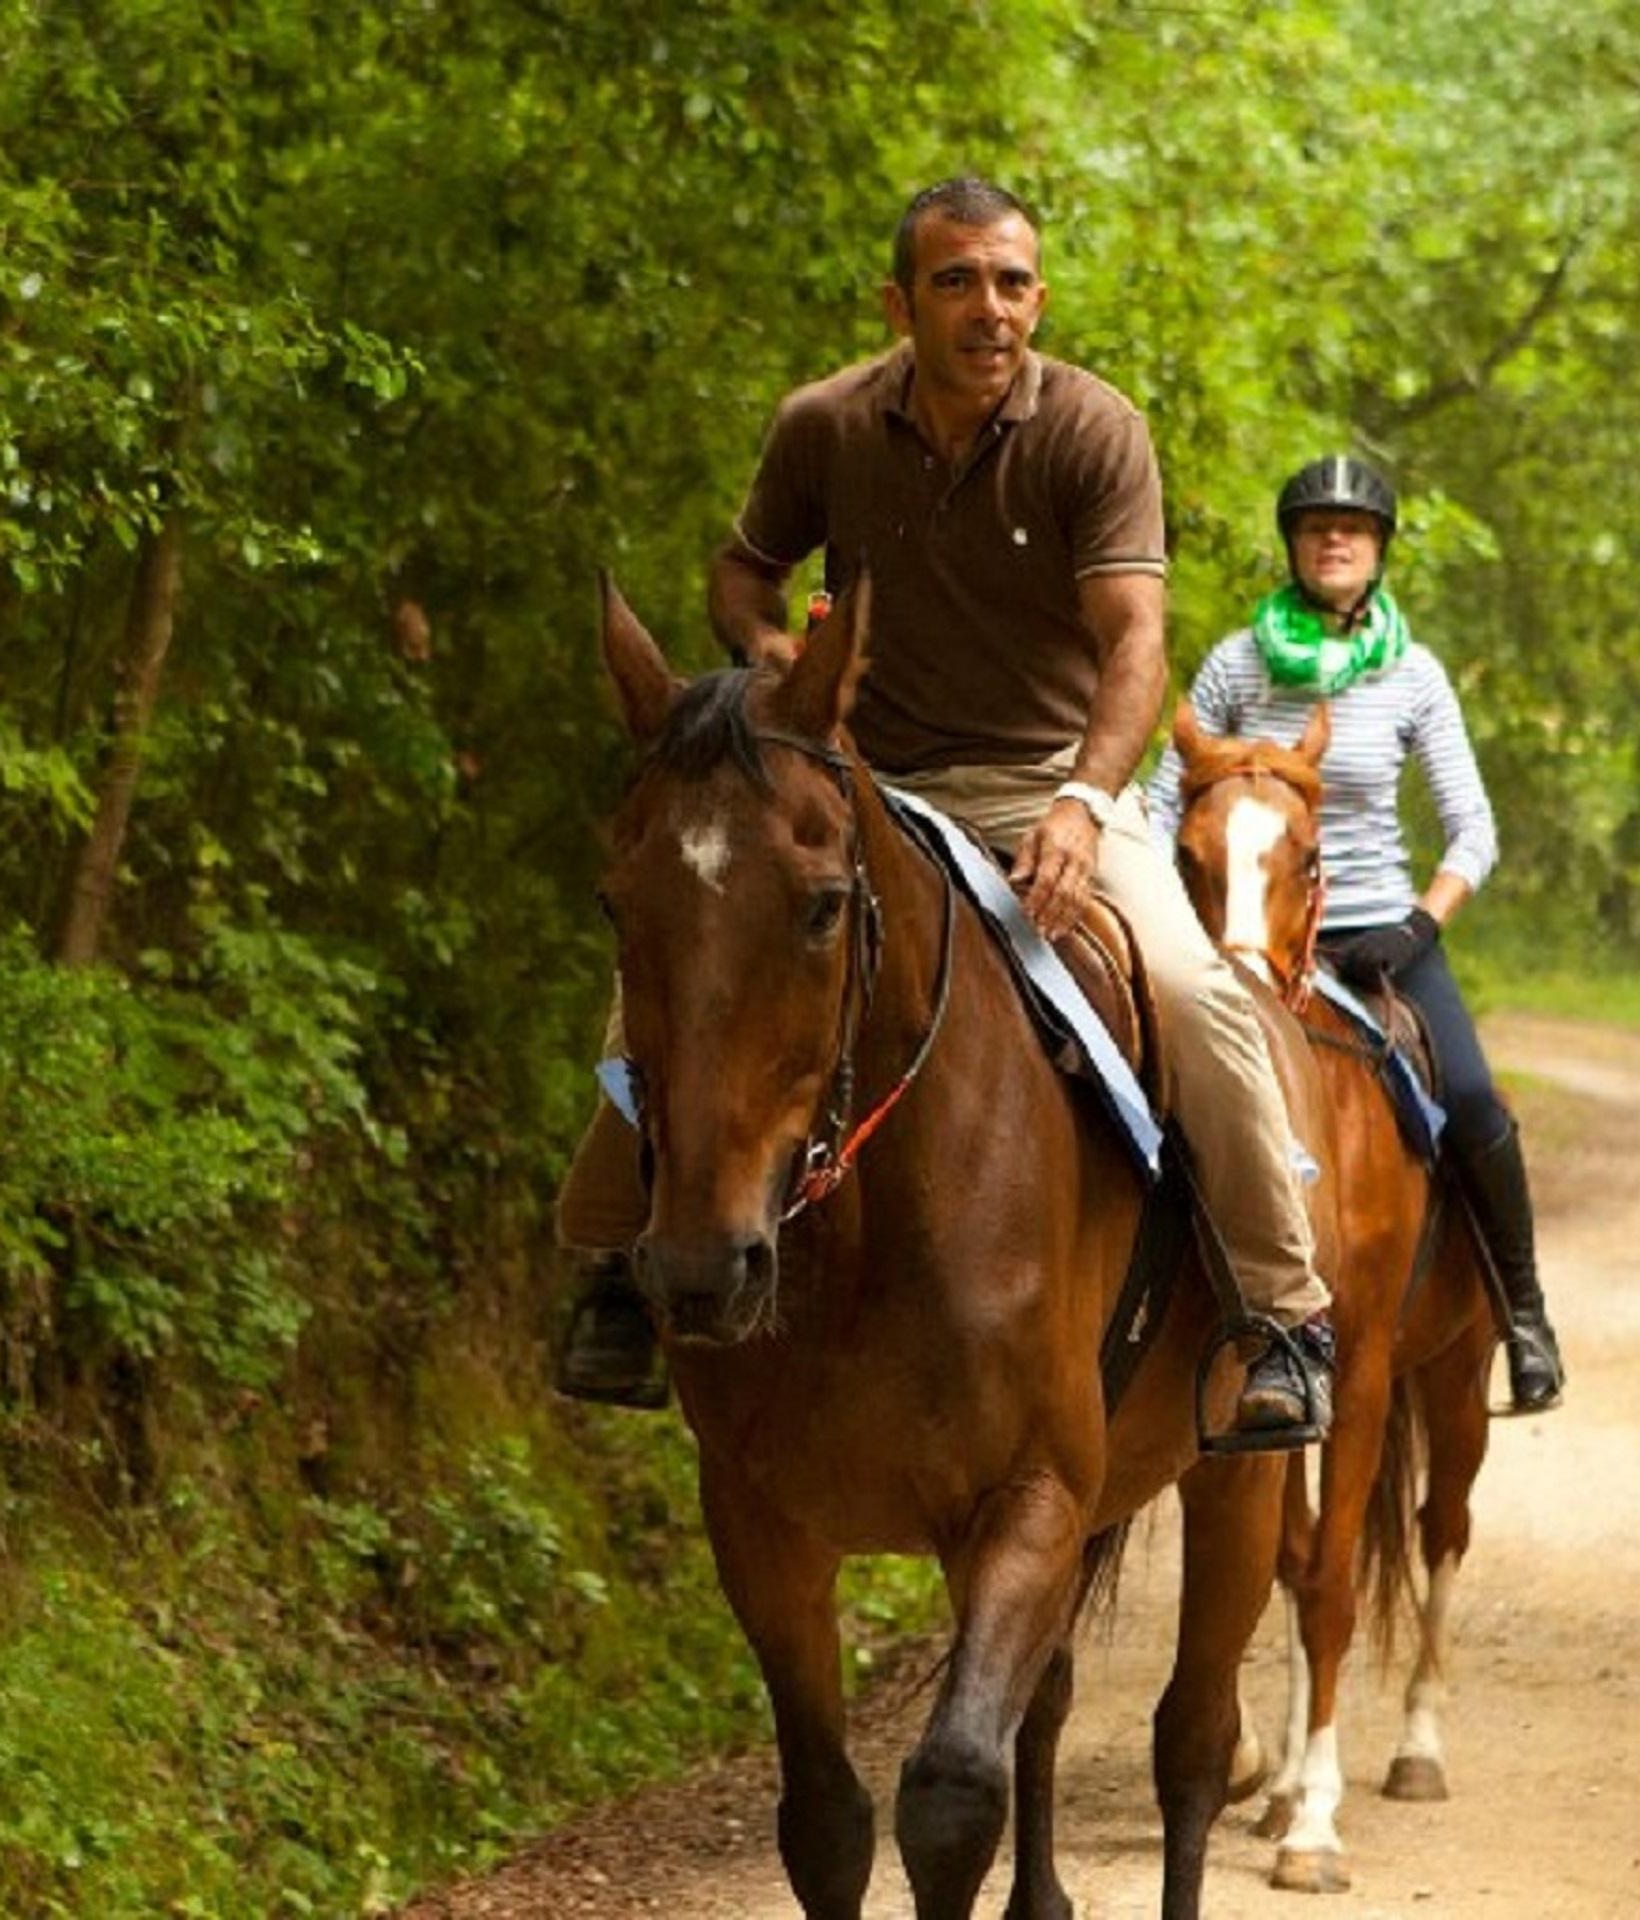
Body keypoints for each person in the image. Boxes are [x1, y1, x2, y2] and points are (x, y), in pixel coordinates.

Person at [555, 178, 1335, 1447]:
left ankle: (1284, 1319)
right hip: (869, 785)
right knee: (677, 985)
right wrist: (768, 655)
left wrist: (1087, 805)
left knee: (1196, 1000)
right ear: (899, 300)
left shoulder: (1094, 429)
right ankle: (610, 1275)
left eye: (1014, 283)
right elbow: (743, 571)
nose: (992, 311)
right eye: (959, 282)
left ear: (1040, 296)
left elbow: (1135, 640)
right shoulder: (824, 425)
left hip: (1053, 786)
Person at [1143, 455, 1564, 1414]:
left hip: (1379, 935)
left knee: (1472, 1097)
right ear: (1294, 546)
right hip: (1240, 937)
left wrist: (1421, 922)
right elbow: (1168, 797)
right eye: (1318, 526)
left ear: (1377, 551)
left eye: (1355, 529)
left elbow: (1474, 827)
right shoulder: (1236, 665)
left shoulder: (1412, 675)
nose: (1336, 539)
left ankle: (1525, 1316)